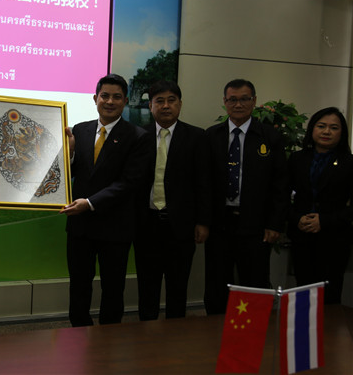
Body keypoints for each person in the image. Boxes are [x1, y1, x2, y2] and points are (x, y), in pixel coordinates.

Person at [61, 73, 149, 327]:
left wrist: (89, 203)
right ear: (95, 98)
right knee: (79, 284)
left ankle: (108, 337)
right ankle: (79, 331)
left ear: (125, 101)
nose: (110, 101)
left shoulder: (138, 136)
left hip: (115, 226)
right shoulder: (80, 130)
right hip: (80, 227)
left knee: (113, 287)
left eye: (117, 97)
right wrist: (70, 154)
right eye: (105, 96)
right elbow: (71, 172)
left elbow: (129, 182)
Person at [204, 79, 289, 315]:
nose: (238, 104)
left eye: (244, 99)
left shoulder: (269, 136)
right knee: (216, 282)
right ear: (225, 102)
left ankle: (253, 330)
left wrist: (275, 223)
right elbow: (204, 183)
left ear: (254, 101)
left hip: (256, 225)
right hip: (219, 224)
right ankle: (215, 329)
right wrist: (203, 221)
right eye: (232, 99)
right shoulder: (211, 136)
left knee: (255, 282)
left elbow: (280, 184)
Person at [133, 80, 211, 320]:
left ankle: (175, 333)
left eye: (171, 100)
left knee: (178, 285)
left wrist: (203, 222)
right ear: (150, 105)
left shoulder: (197, 137)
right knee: (147, 284)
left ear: (180, 104)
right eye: (160, 101)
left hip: (182, 226)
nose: (166, 106)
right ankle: (146, 331)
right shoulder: (138, 135)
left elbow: (204, 183)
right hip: (146, 224)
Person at [287, 107, 353, 304]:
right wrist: (296, 218)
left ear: (342, 133)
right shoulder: (297, 159)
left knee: (329, 295)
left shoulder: (349, 163)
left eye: (334, 128)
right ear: (312, 129)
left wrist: (324, 221)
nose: (327, 132)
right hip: (302, 236)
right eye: (321, 126)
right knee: (303, 292)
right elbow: (281, 196)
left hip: (334, 238)